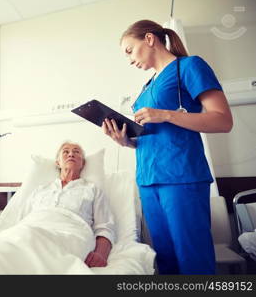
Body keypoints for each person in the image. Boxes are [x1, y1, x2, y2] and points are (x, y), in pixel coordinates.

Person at [102, 20, 233, 274]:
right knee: (166, 260)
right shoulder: (146, 87)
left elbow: (223, 120)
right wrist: (125, 141)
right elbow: (154, 138)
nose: (129, 60)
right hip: (149, 180)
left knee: (192, 258)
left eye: (130, 50)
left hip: (181, 176)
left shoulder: (189, 66)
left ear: (149, 39)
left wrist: (166, 114)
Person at [23, 142, 115, 267]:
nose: (71, 154)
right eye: (65, 151)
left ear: (82, 163)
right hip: (30, 233)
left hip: (71, 235)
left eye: (76, 152)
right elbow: (22, 222)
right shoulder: (40, 191)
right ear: (58, 162)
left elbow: (105, 228)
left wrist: (100, 254)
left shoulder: (92, 190)